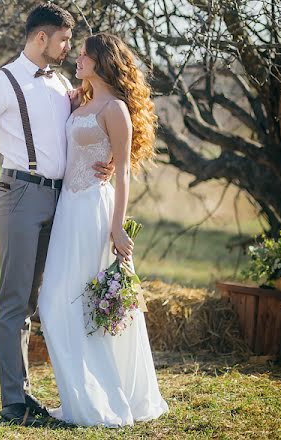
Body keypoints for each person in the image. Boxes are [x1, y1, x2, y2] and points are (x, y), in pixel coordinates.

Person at [0, 3, 113, 426]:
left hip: (63, 201)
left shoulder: (60, 84)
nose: (68, 48)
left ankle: (31, 393)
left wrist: (105, 159)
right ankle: (14, 403)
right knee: (14, 301)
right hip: (20, 195)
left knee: (42, 301)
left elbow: (80, 133)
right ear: (42, 38)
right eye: (63, 39)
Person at [37, 32, 168, 427]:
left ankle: (99, 402)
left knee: (88, 304)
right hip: (68, 212)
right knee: (56, 300)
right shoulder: (83, 101)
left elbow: (124, 171)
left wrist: (118, 228)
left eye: (83, 56)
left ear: (101, 61)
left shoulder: (115, 110)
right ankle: (81, 394)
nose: (77, 60)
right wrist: (77, 103)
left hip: (95, 210)